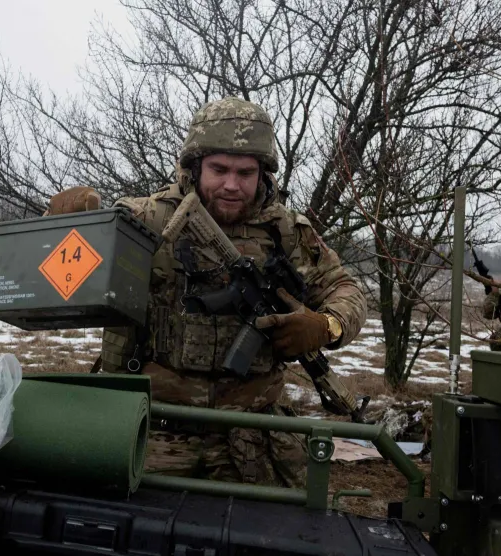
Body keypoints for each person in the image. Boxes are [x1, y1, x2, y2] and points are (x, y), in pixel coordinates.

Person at [45, 98, 368, 488]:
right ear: (194, 166)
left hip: (253, 438)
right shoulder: (147, 219)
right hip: (152, 431)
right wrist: (64, 227)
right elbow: (61, 278)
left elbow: (345, 289)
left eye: (245, 172)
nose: (232, 185)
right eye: (219, 169)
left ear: (263, 174)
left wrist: (325, 326)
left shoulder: (286, 234)